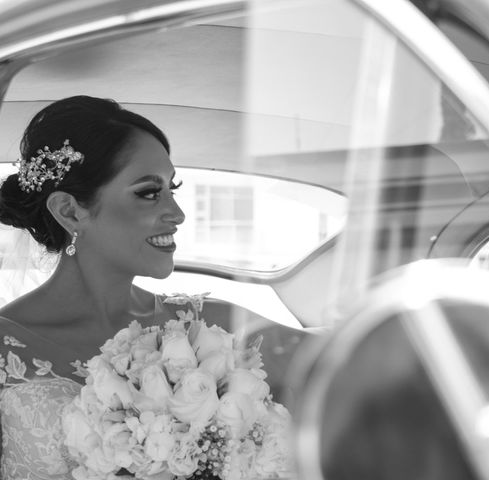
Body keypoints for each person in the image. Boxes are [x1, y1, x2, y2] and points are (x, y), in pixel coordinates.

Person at [0, 95, 303, 479]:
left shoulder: (212, 328)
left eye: (171, 189)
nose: (177, 214)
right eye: (148, 192)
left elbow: (362, 368)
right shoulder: (5, 349)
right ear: (70, 211)